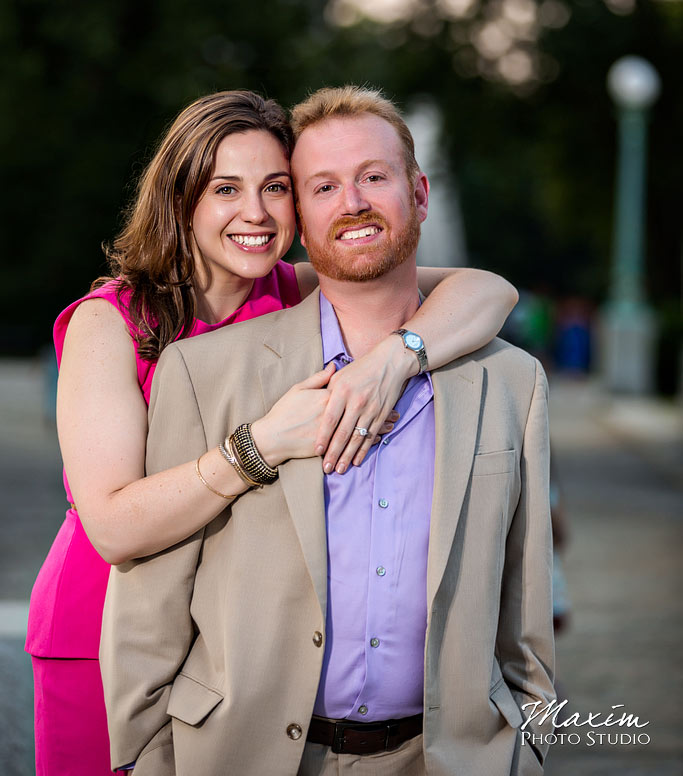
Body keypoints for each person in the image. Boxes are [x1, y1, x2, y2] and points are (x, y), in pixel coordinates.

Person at [26, 89, 518, 776]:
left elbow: (486, 290)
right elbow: (112, 525)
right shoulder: (111, 323)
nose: (255, 214)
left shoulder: (294, 291)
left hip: (226, 642)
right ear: (181, 201)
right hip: (100, 628)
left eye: (276, 187)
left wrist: (393, 359)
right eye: (225, 189)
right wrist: (259, 446)